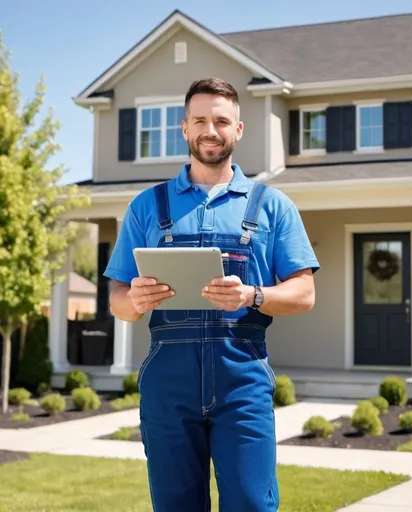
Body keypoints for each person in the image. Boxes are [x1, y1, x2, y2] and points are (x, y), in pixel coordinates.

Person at [104, 77, 320, 512]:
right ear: (184, 129)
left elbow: (304, 294)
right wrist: (135, 301)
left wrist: (251, 296)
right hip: (168, 384)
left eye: (222, 120)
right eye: (200, 120)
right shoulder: (147, 206)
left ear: (238, 130)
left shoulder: (272, 206)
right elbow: (118, 300)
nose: (210, 130)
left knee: (253, 505)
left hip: (242, 381)